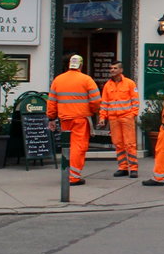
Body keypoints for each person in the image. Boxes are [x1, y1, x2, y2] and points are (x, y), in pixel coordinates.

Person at [46, 54, 101, 186]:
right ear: (81, 65)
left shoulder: (58, 80)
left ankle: (67, 172)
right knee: (79, 146)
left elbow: (51, 102)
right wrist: (94, 112)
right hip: (81, 119)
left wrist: (51, 118)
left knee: (68, 147)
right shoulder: (86, 80)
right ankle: (74, 176)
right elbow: (96, 101)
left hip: (65, 119)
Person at [98, 60, 140, 178]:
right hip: (113, 118)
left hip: (126, 117)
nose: (112, 70)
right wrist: (102, 117)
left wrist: (133, 114)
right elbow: (104, 103)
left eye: (115, 68)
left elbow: (135, 101)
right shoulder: (108, 85)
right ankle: (123, 167)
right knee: (118, 143)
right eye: (111, 68)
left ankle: (133, 168)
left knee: (129, 143)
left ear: (121, 70)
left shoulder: (130, 83)